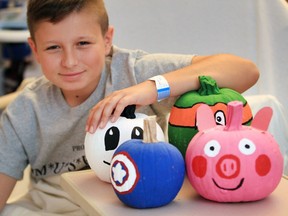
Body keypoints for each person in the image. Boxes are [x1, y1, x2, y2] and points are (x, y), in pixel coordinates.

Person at [0, 0, 259, 215]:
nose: (70, 61)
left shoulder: (133, 72)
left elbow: (245, 71)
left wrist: (149, 89)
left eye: (83, 44)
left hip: (134, 205)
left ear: (107, 39)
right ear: (34, 49)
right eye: (53, 47)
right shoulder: (24, 110)